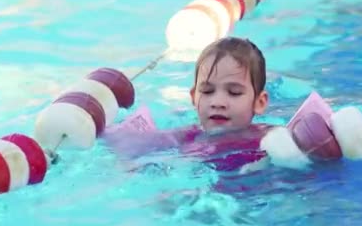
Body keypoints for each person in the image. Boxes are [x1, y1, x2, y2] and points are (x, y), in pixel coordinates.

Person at [101, 36, 275, 172]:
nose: (217, 102)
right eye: (207, 91)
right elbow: (139, 144)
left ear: (259, 103)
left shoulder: (267, 137)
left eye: (234, 92)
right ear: (194, 97)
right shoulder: (189, 136)